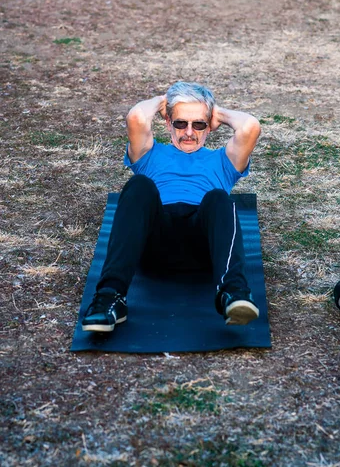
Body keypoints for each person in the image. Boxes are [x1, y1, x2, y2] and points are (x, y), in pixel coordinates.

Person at [82, 81, 261, 333]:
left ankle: (232, 293)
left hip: (204, 246)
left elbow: (250, 126)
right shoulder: (150, 154)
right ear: (168, 123)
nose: (189, 132)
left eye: (198, 124)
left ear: (209, 127)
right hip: (154, 240)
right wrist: (162, 101)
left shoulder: (223, 160)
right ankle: (110, 298)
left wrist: (216, 113)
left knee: (219, 198)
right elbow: (136, 116)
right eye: (180, 123)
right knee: (139, 185)